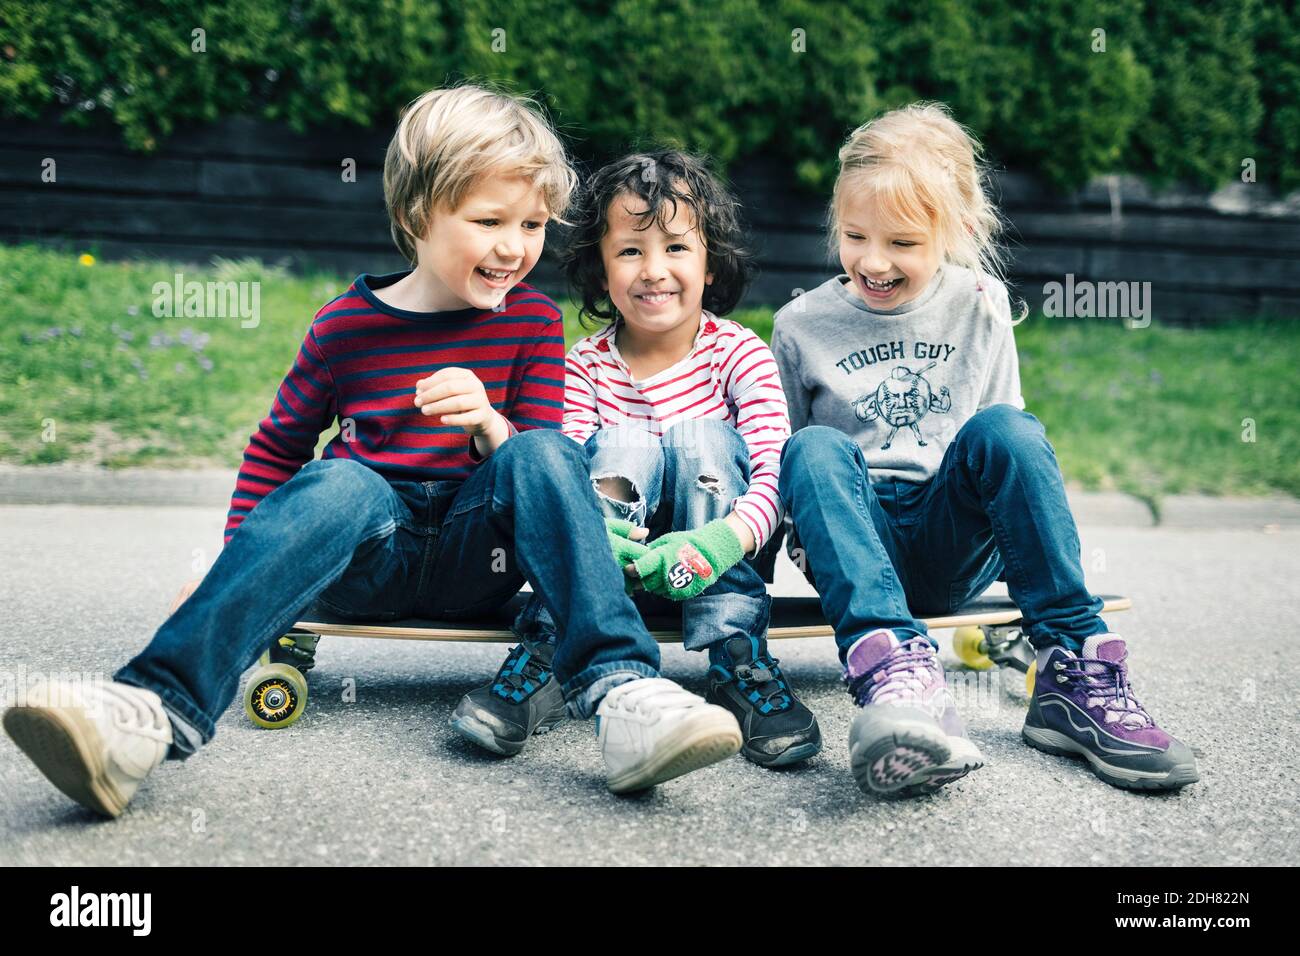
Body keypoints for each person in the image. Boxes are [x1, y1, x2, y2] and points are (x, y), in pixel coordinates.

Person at [3, 86, 744, 816]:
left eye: (532, 224)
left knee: (543, 450)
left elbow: (543, 472)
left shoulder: (532, 323)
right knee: (340, 481)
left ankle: (624, 697)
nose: (516, 247)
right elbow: (273, 454)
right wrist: (232, 568)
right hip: (368, 557)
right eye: (490, 220)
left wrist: (489, 423)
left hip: (475, 556)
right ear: (416, 215)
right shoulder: (343, 327)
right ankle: (146, 713)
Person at [772, 102, 1199, 797]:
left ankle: (1071, 671)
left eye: (902, 243)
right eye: (855, 235)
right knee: (814, 447)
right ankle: (896, 682)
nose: (872, 261)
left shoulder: (981, 304)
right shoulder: (799, 323)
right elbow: (785, 469)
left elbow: (1004, 460)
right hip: (856, 542)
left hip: (951, 539)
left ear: (957, 230)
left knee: (1009, 430)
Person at [452, 150, 820, 768]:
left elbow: (773, 480)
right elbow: (558, 488)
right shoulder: (583, 366)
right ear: (599, 268)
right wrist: (603, 544)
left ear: (710, 264)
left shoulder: (739, 355)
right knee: (621, 446)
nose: (654, 270)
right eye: (630, 251)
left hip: (713, 571)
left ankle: (738, 660)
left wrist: (715, 545)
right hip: (609, 578)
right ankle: (549, 649)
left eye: (676, 248)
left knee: (702, 439)